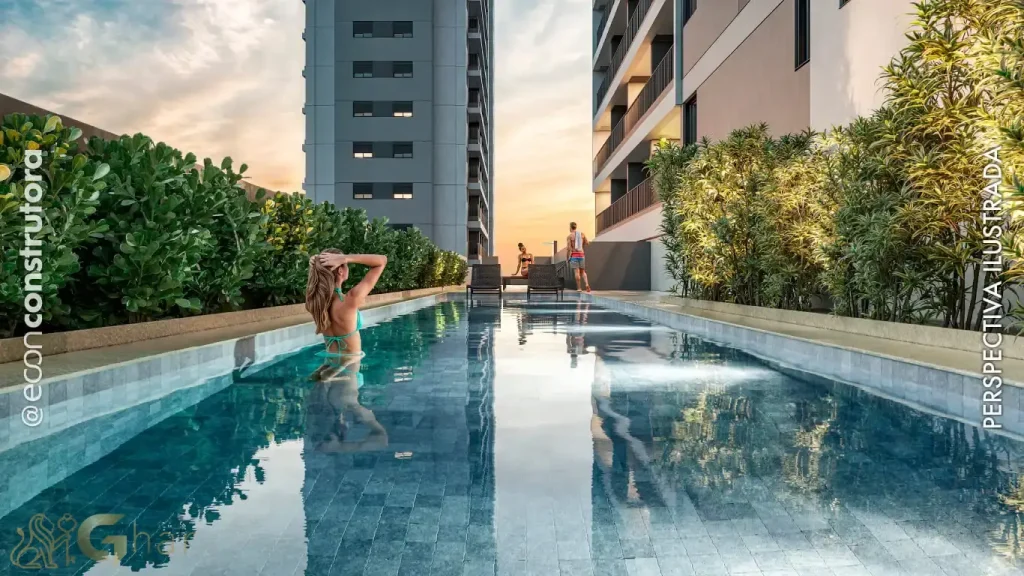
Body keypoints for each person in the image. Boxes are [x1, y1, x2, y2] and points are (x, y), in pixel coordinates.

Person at [566, 222, 592, 292]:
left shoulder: (570, 236)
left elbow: (568, 248)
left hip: (574, 255)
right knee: (583, 272)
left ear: (570, 227)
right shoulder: (582, 234)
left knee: (576, 272)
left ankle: (579, 288)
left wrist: (567, 257)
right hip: (581, 255)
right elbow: (587, 243)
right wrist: (581, 243)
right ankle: (586, 284)